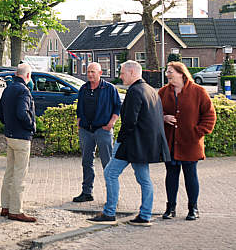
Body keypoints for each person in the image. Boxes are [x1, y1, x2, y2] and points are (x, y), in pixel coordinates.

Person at [89, 61, 171, 226]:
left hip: (131, 144)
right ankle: (145, 215)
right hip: (144, 145)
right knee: (144, 178)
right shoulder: (151, 90)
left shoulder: (134, 91)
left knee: (110, 173)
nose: (120, 77)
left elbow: (129, 121)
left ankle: (109, 213)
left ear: (132, 72)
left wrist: (120, 140)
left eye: (122, 73)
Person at [158, 61, 216, 221]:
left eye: (170, 72)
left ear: (181, 73)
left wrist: (197, 133)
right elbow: (153, 112)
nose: (167, 75)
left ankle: (193, 208)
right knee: (171, 176)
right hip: (170, 142)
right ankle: (170, 208)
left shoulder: (198, 91)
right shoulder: (163, 92)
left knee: (190, 176)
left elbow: (209, 115)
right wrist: (163, 117)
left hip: (190, 143)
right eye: (167, 72)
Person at [72, 62, 122, 203]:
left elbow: (118, 107)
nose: (90, 74)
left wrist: (111, 123)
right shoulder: (83, 88)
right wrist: (79, 121)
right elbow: (79, 107)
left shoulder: (110, 88)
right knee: (86, 162)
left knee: (108, 163)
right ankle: (87, 192)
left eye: (93, 72)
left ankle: (112, 197)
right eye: (88, 72)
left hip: (103, 130)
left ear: (100, 73)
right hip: (86, 130)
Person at [0, 63, 37, 223]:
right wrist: (31, 126)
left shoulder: (8, 89)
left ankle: (5, 206)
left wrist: (8, 123)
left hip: (10, 135)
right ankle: (16, 210)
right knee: (20, 174)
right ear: (28, 76)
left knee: (10, 172)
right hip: (21, 136)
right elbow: (22, 112)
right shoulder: (24, 91)